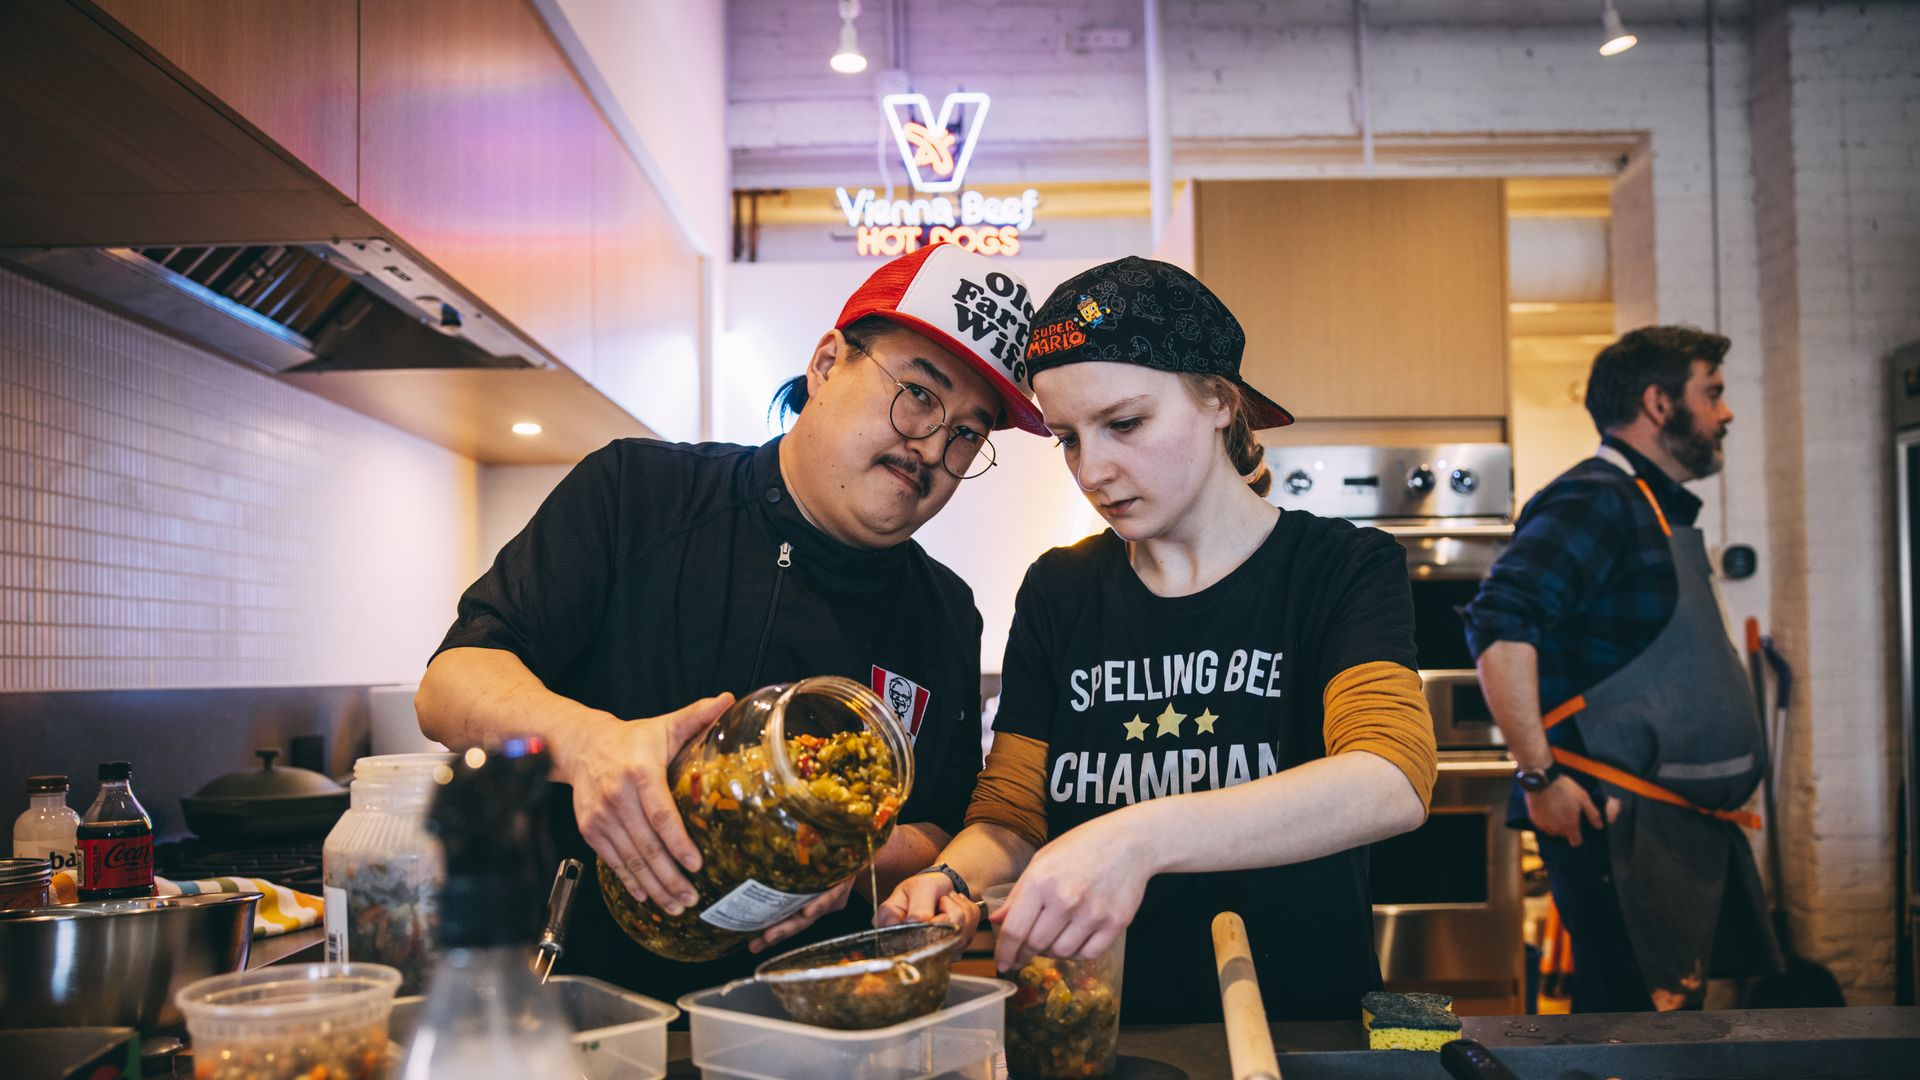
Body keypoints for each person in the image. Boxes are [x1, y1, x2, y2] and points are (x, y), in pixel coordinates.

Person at [415, 243, 1043, 998]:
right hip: (591, 1009)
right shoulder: (638, 495)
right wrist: (589, 746)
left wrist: (847, 855)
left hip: (810, 1028)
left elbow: (937, 824)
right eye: (918, 393)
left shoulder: (944, 609)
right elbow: (449, 685)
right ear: (826, 364)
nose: (935, 447)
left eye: (969, 433)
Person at [876, 256, 1438, 1023]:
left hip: (1294, 1028)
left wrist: (1137, 838)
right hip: (1099, 1028)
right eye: (1068, 439)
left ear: (1218, 400)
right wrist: (953, 880)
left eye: (1126, 424)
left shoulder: (1337, 567)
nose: (1093, 470)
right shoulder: (1061, 590)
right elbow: (1012, 816)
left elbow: (1388, 779)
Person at [1462, 325, 1780, 1012]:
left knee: (1649, 1027)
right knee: (1630, 1029)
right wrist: (1539, 775)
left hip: (1665, 826)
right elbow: (1498, 619)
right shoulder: (1597, 499)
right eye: (1713, 393)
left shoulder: (1645, 504)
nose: (1725, 413)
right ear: (1659, 403)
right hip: (1613, 822)